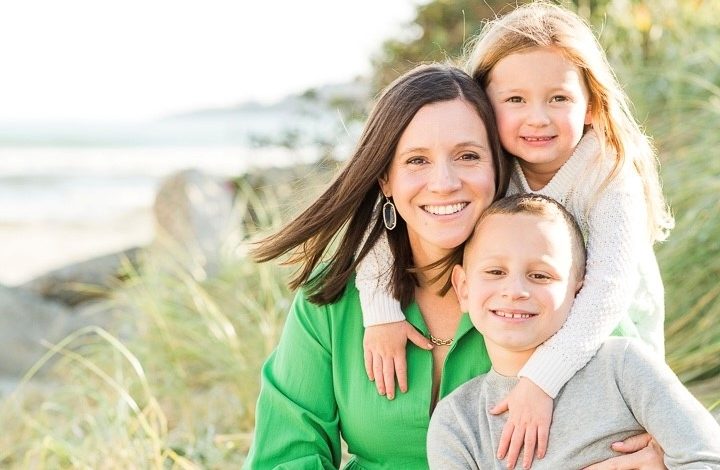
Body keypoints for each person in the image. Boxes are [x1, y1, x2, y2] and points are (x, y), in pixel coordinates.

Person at [357, 2, 673, 467]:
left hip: (614, 330)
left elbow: (608, 292)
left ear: (591, 106)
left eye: (559, 98)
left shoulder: (607, 171)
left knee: (617, 439)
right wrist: (380, 309)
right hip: (539, 309)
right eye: (515, 100)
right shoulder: (494, 164)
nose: (537, 119)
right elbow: (382, 218)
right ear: (485, 107)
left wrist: (542, 379)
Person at [243, 63, 511, 469]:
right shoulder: (332, 300)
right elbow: (286, 454)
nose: (444, 182)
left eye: (468, 156)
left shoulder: (551, 284)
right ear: (385, 178)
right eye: (417, 161)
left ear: (497, 167)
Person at [426, 194, 720, 469]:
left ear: (579, 290)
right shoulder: (458, 421)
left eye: (540, 275)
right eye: (495, 272)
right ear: (463, 288)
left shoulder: (622, 365)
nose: (515, 291)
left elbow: (707, 459)